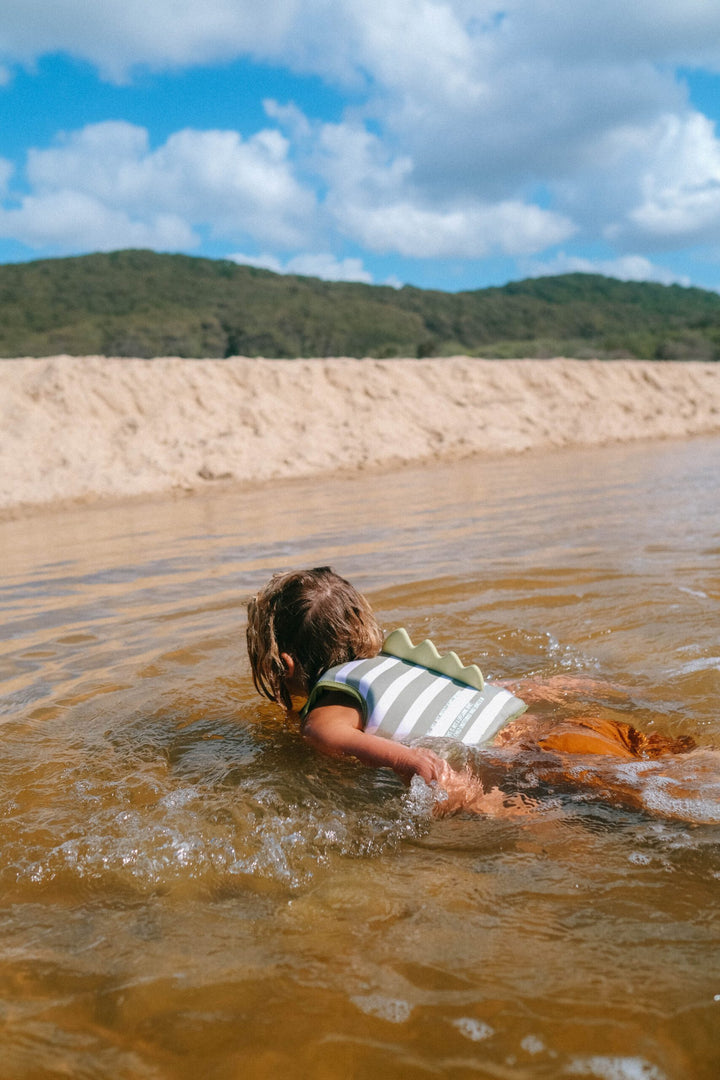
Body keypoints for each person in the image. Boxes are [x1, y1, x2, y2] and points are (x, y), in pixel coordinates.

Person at [246, 566, 696, 815]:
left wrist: (413, 760)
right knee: (684, 771)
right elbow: (485, 688)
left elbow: (324, 735)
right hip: (565, 728)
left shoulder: (334, 691)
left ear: (285, 664)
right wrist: (558, 685)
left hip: (526, 761)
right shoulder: (399, 664)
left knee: (652, 809)